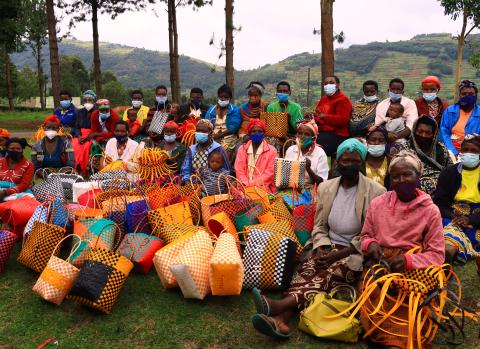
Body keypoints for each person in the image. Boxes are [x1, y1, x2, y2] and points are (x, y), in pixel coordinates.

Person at [251, 138, 385, 339]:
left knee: (329, 275)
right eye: (345, 160)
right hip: (327, 245)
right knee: (307, 270)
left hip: (354, 251)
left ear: (362, 162)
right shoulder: (326, 188)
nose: (350, 165)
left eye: (355, 161)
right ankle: (281, 321)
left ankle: (278, 307)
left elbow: (371, 234)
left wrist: (337, 254)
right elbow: (320, 225)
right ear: (338, 162)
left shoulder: (376, 192)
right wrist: (322, 247)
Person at [360, 150, 444, 349]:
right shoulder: (378, 203)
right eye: (396, 176)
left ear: (419, 177)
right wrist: (371, 245)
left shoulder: (430, 211)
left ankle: (400, 340)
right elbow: (364, 236)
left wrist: (407, 261)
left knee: (411, 312)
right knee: (377, 305)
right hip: (381, 265)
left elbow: (437, 254)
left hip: (414, 268)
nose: (401, 180)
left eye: (407, 174)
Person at [433, 135, 480, 264]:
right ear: (461, 151)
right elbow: (440, 203)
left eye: (474, 151)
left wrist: (470, 219)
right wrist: (453, 216)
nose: (469, 154)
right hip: (453, 213)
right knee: (447, 229)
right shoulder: (449, 173)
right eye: (465, 150)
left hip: (477, 216)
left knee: (473, 234)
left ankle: (449, 254)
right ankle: (447, 253)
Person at [398, 115, 453, 195]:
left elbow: (450, 171)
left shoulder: (441, 149)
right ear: (414, 131)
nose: (423, 135)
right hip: (413, 191)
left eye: (428, 133)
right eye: (420, 132)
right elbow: (401, 173)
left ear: (434, 134)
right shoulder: (405, 148)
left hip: (441, 191)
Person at [235, 119, 278, 193]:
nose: (257, 133)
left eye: (260, 131)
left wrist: (250, 184)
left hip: (263, 189)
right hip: (243, 187)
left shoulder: (272, 151)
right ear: (249, 133)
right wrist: (245, 184)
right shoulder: (242, 149)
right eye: (254, 131)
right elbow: (239, 170)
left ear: (264, 133)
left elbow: (269, 174)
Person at [180, 119, 230, 184]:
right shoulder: (191, 149)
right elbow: (185, 170)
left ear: (211, 133)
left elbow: (226, 170)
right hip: (193, 184)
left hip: (213, 184)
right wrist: (187, 181)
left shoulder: (218, 149)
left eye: (204, 131)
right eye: (198, 130)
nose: (200, 133)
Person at [315, 75, 353, 157]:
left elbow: (343, 120)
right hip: (323, 131)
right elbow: (318, 114)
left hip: (338, 135)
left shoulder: (343, 100)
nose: (328, 85)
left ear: (338, 85)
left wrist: (325, 117)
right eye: (326, 83)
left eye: (331, 82)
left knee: (315, 145)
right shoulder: (324, 99)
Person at [440, 79, 480, 155]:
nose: (467, 96)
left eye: (471, 94)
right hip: (451, 152)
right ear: (459, 95)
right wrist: (453, 151)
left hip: (474, 153)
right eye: (464, 94)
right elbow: (444, 133)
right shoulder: (450, 111)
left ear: (476, 95)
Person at [284, 119, 328, 187]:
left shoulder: (320, 153)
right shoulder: (291, 150)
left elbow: (322, 182)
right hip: (291, 188)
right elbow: (285, 176)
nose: (302, 136)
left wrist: (308, 169)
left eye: (307, 134)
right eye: (300, 133)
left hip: (311, 190)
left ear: (313, 138)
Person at [375, 78, 418, 143]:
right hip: (383, 136)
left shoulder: (410, 103)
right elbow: (378, 124)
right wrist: (386, 135)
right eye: (393, 89)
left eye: (398, 90)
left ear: (402, 92)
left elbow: (411, 125)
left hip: (403, 137)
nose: (395, 92)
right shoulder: (381, 104)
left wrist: (396, 137)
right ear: (388, 90)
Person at [205, 84, 241, 161]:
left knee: (224, 154)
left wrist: (219, 135)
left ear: (230, 98)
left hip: (229, 136)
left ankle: (226, 169)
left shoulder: (234, 110)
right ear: (218, 96)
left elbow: (233, 127)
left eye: (226, 97)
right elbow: (206, 124)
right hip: (212, 136)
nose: (223, 99)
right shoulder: (211, 110)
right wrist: (212, 135)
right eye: (221, 97)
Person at [71, 89, 96, 175]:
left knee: (86, 147)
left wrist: (88, 137)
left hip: (91, 136)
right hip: (80, 135)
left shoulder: (97, 113)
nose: (87, 102)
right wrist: (78, 136)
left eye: (90, 100)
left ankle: (83, 168)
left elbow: (97, 129)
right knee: (74, 145)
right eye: (85, 100)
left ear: (94, 101)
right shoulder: (80, 112)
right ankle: (75, 168)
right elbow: (76, 126)